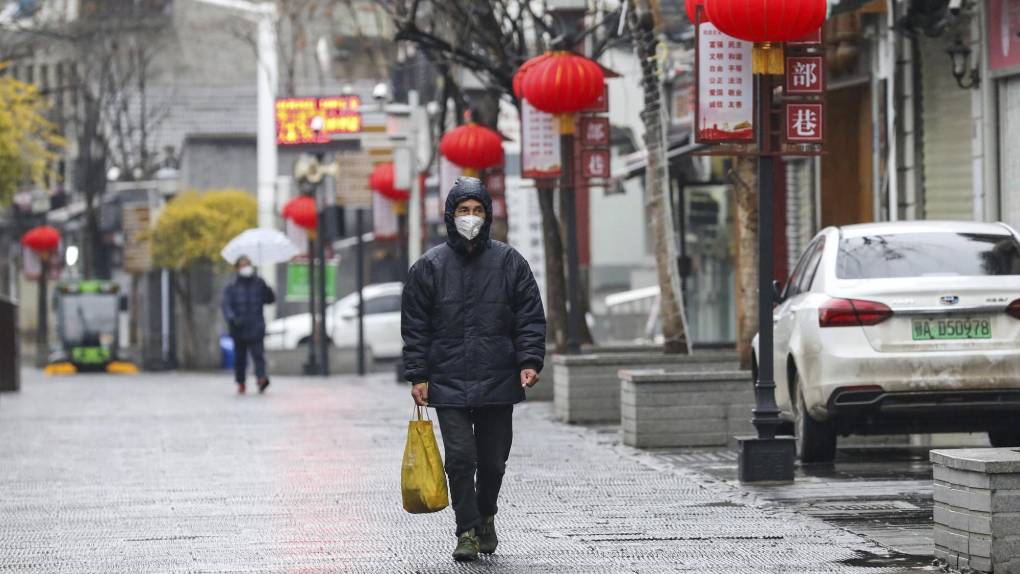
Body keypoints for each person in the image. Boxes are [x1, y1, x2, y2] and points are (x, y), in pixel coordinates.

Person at [401, 177, 546, 562]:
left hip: (498, 376)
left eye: (477, 210)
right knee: (461, 459)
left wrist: (529, 360)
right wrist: (418, 375)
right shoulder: (429, 267)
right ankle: (466, 530)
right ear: (451, 215)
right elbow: (415, 327)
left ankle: (486, 516)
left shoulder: (509, 262)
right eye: (464, 210)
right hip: (447, 380)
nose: (471, 217)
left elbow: (529, 317)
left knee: (494, 461)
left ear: (488, 215)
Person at [222, 255, 276, 395]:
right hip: (238, 328)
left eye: (248, 264)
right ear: (237, 268)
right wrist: (232, 318)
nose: (246, 268)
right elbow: (226, 305)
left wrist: (267, 288)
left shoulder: (259, 283)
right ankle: (241, 382)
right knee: (240, 358)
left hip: (256, 326)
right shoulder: (231, 286)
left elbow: (270, 300)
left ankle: (261, 379)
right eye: (243, 265)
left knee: (258, 355)